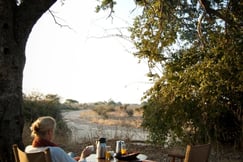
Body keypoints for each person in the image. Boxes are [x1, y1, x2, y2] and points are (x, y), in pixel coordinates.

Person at [25, 116, 91, 162]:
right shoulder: (55, 151)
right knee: (71, 155)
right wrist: (83, 156)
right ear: (49, 132)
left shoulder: (28, 149)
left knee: (70, 154)